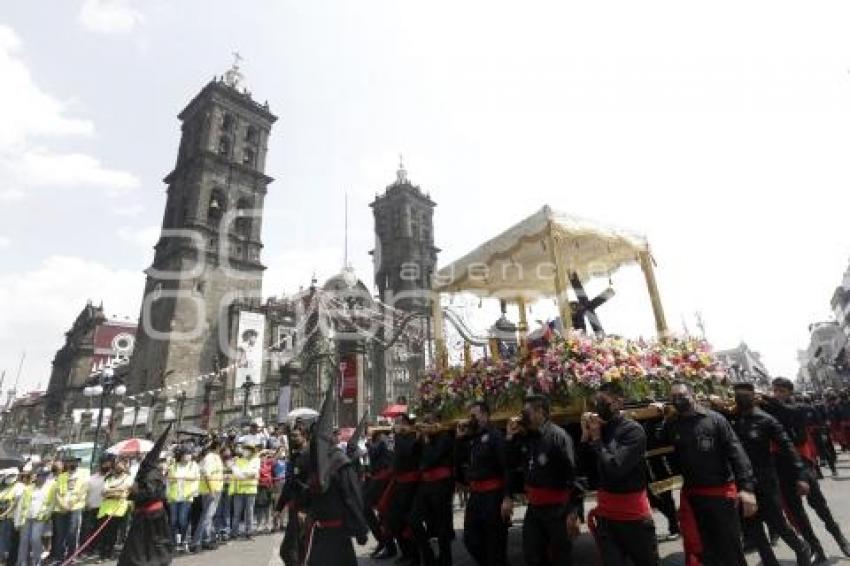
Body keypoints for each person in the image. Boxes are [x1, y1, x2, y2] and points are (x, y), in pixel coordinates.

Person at [658, 381, 757, 566]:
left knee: (730, 548)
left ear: (693, 395)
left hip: (720, 496)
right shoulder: (672, 424)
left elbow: (737, 453)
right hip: (693, 497)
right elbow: (656, 442)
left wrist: (747, 489)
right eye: (674, 398)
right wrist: (658, 415)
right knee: (705, 550)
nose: (678, 400)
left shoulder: (716, 420)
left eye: (682, 396)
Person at [721, 383, 812, 566]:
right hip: (743, 484)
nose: (741, 397)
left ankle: (802, 549)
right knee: (754, 529)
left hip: (766, 482)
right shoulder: (731, 419)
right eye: (737, 394)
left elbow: (788, 448)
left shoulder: (766, 420)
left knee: (778, 524)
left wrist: (801, 475)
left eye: (745, 393)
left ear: (754, 396)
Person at [764, 377, 850, 563]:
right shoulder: (768, 410)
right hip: (781, 466)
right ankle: (817, 549)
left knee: (820, 506)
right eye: (775, 391)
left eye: (782, 391)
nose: (777, 394)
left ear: (789, 392)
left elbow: (792, 418)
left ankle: (840, 539)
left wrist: (772, 404)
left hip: (802, 464)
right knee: (798, 514)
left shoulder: (798, 408)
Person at [582, 382, 659, 566]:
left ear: (618, 403)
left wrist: (598, 440)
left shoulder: (632, 431)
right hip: (607, 516)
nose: (598, 407)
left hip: (633, 516)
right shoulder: (600, 428)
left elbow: (615, 468)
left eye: (603, 402)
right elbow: (586, 469)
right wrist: (585, 437)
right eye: (596, 403)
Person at [508, 394, 579, 566]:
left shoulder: (558, 437)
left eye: (526, 413)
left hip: (557, 509)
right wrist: (510, 438)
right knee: (533, 555)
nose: (523, 417)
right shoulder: (526, 437)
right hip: (534, 509)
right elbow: (509, 463)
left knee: (560, 557)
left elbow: (573, 476)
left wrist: (573, 511)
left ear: (541, 412)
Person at [455, 401, 511, 566]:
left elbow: (506, 467)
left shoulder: (495, 436)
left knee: (495, 544)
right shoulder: (471, 438)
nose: (470, 419)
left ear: (485, 415)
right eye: (469, 415)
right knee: (470, 539)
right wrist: (458, 439)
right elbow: (457, 461)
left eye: (474, 415)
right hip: (476, 496)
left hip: (493, 496)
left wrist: (507, 497)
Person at [117, 425, 172, 566]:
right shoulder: (146, 470)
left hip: (152, 517)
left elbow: (151, 493)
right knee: (139, 547)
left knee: (149, 547)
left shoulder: (152, 473)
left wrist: (134, 491)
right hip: (143, 515)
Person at [409, 413, 454, 566]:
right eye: (425, 422)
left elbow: (431, 459)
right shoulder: (424, 438)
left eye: (429, 422)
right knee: (413, 519)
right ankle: (428, 555)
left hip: (441, 485)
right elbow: (413, 455)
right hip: (426, 485)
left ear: (437, 422)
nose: (425, 424)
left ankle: (445, 560)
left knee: (442, 526)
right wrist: (417, 438)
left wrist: (427, 440)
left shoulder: (445, 437)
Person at [386, 414, 422, 565]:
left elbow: (407, 451)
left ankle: (414, 556)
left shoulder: (413, 436)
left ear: (407, 424)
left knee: (408, 521)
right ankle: (406, 552)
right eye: (396, 423)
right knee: (393, 520)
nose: (396, 425)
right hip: (399, 484)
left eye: (399, 423)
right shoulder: (399, 438)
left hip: (411, 485)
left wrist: (399, 435)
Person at [277, 426, 310, 566]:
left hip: (303, 509)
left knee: (294, 551)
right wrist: (278, 508)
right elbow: (289, 484)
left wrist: (304, 509)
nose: (293, 438)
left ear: (304, 436)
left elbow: (311, 486)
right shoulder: (294, 456)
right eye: (291, 436)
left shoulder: (309, 456)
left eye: (296, 436)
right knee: (289, 551)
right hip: (293, 507)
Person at [363, 429, 395, 559]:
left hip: (382, 478)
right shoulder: (383, 439)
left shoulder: (381, 439)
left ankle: (386, 543)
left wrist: (369, 442)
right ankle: (384, 542)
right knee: (379, 513)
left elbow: (374, 453)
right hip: (379, 477)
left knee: (371, 509)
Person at [52, 456, 89, 563]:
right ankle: (59, 558)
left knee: (72, 533)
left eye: (73, 462)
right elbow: (57, 492)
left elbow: (84, 489)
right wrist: (62, 505)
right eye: (68, 462)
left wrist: (72, 503)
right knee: (60, 534)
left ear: (77, 463)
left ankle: (71, 557)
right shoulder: (61, 476)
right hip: (61, 508)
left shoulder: (84, 473)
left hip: (76, 507)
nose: (70, 464)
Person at [15, 468, 55, 566]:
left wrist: (46, 515)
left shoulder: (50, 488)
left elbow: (51, 504)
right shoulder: (28, 488)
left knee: (35, 539)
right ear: (35, 477)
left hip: (39, 519)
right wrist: (17, 521)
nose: (42, 478)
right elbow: (20, 506)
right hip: (26, 518)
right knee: (23, 541)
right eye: (39, 476)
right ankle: (21, 562)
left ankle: (37, 562)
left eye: (44, 476)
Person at [96, 459, 133, 562]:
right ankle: (102, 554)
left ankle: (108, 553)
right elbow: (103, 492)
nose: (118, 466)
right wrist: (117, 490)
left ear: (125, 466)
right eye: (117, 464)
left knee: (112, 533)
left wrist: (111, 491)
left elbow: (124, 492)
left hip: (118, 510)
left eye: (121, 464)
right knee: (103, 532)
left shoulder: (128, 478)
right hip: (105, 509)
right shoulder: (109, 478)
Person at [191, 440, 224, 552]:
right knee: (206, 517)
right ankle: (196, 542)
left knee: (208, 516)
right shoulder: (210, 458)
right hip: (211, 490)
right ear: (218, 446)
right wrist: (211, 490)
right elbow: (207, 474)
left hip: (216, 488)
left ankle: (207, 540)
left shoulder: (216, 457)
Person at [167, 446, 200, 551]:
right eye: (186, 454)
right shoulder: (173, 466)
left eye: (189, 454)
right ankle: (173, 542)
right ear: (181, 456)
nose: (189, 456)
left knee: (182, 520)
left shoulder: (193, 465)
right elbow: (169, 481)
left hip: (187, 496)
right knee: (173, 521)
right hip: (174, 497)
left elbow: (196, 479)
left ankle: (184, 540)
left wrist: (193, 492)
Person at [230, 442, 260, 540]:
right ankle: (234, 533)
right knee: (237, 513)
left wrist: (242, 474)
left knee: (249, 513)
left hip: (251, 490)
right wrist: (244, 474)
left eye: (248, 449)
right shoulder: (238, 460)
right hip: (239, 490)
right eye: (244, 449)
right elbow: (236, 474)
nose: (245, 451)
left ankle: (249, 533)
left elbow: (253, 473)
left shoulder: (256, 460)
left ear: (252, 451)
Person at [0, 470, 23, 564]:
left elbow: (15, 504)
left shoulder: (19, 487)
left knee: (9, 542)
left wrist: (3, 514)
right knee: (3, 541)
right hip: (3, 518)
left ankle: (9, 561)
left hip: (11, 518)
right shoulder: (3, 487)